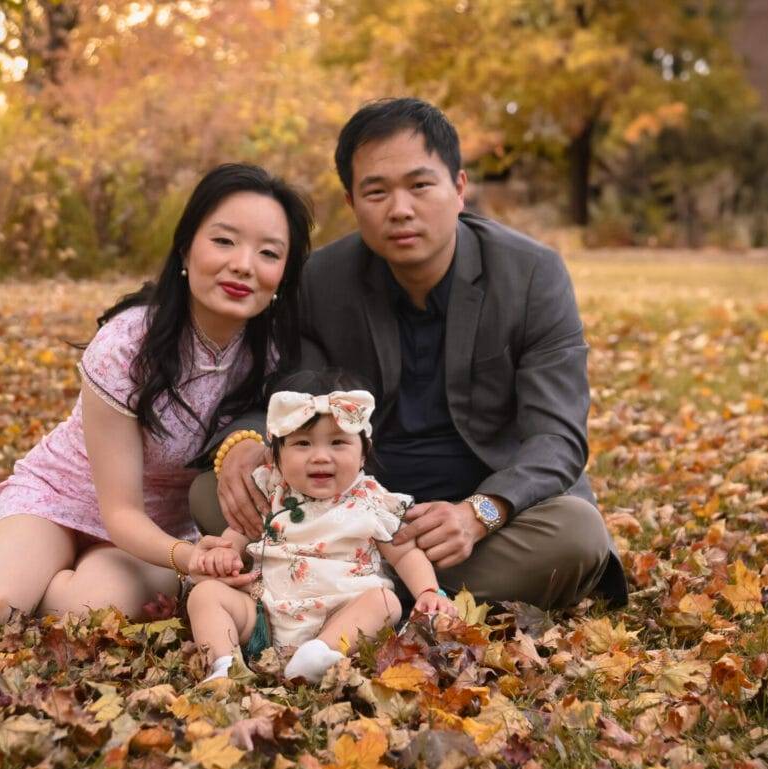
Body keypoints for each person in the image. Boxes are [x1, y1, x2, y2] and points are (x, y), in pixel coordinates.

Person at [195, 99, 629, 611]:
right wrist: (241, 444)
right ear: (353, 202)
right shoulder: (322, 281)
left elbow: (556, 437)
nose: (400, 209)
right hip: (358, 507)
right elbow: (289, 394)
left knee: (577, 533)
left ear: (459, 188)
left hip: (480, 511)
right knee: (209, 493)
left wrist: (479, 512)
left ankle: (349, 588)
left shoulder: (531, 274)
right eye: (376, 191)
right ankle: (390, 586)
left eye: (420, 186)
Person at [0, 163, 313, 623]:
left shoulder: (278, 358)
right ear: (185, 248)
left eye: (267, 252)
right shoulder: (128, 344)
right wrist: (189, 559)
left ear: (284, 272)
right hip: (60, 498)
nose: (242, 264)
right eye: (223, 241)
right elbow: (119, 509)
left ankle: (33, 577)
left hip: (157, 527)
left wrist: (217, 549)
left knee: (92, 613)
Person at [187, 371, 457, 684]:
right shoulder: (269, 491)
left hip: (343, 614)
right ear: (275, 457)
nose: (320, 457)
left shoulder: (371, 500)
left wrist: (427, 590)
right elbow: (237, 531)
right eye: (302, 443)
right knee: (205, 594)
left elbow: (405, 553)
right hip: (267, 615)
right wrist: (226, 553)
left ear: (363, 454)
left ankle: (318, 654)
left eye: (338, 442)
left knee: (385, 602)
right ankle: (223, 667)